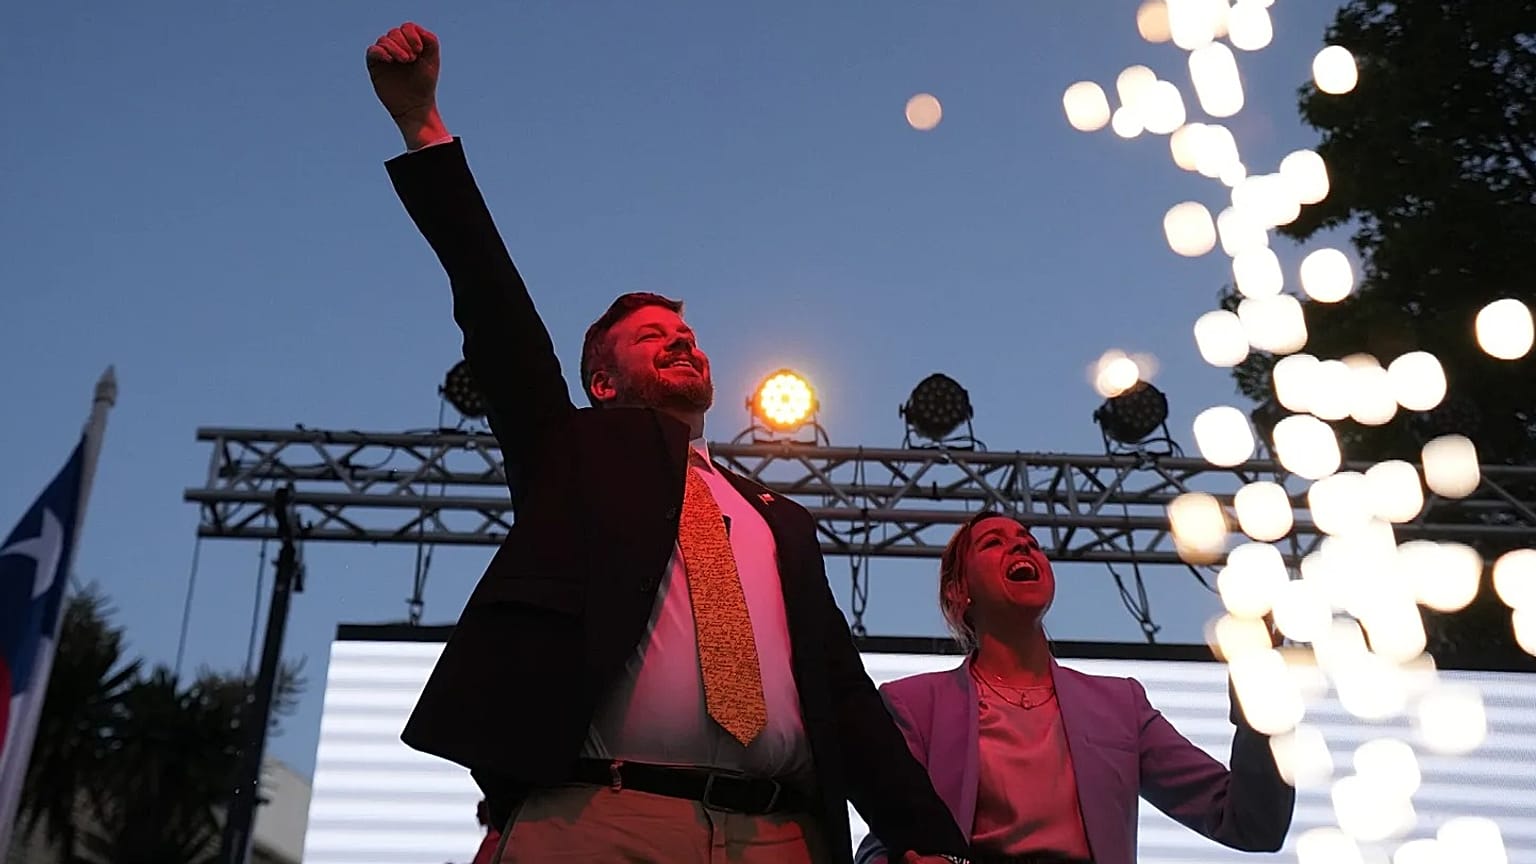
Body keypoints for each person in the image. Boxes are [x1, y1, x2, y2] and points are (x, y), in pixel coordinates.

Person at [365, 21, 972, 864]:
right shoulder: (572, 454)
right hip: (596, 820)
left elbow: (841, 690)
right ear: (601, 382)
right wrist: (423, 125)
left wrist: (927, 840)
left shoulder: (779, 520)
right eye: (651, 337)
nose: (682, 340)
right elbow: (497, 312)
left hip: (779, 834)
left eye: (687, 333)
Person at [856, 511, 1295, 864]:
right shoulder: (914, 705)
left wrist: (1259, 708)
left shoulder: (1121, 705)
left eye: (1030, 542)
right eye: (993, 543)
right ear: (958, 593)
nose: (1022, 546)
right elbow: (883, 843)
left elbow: (1251, 823)